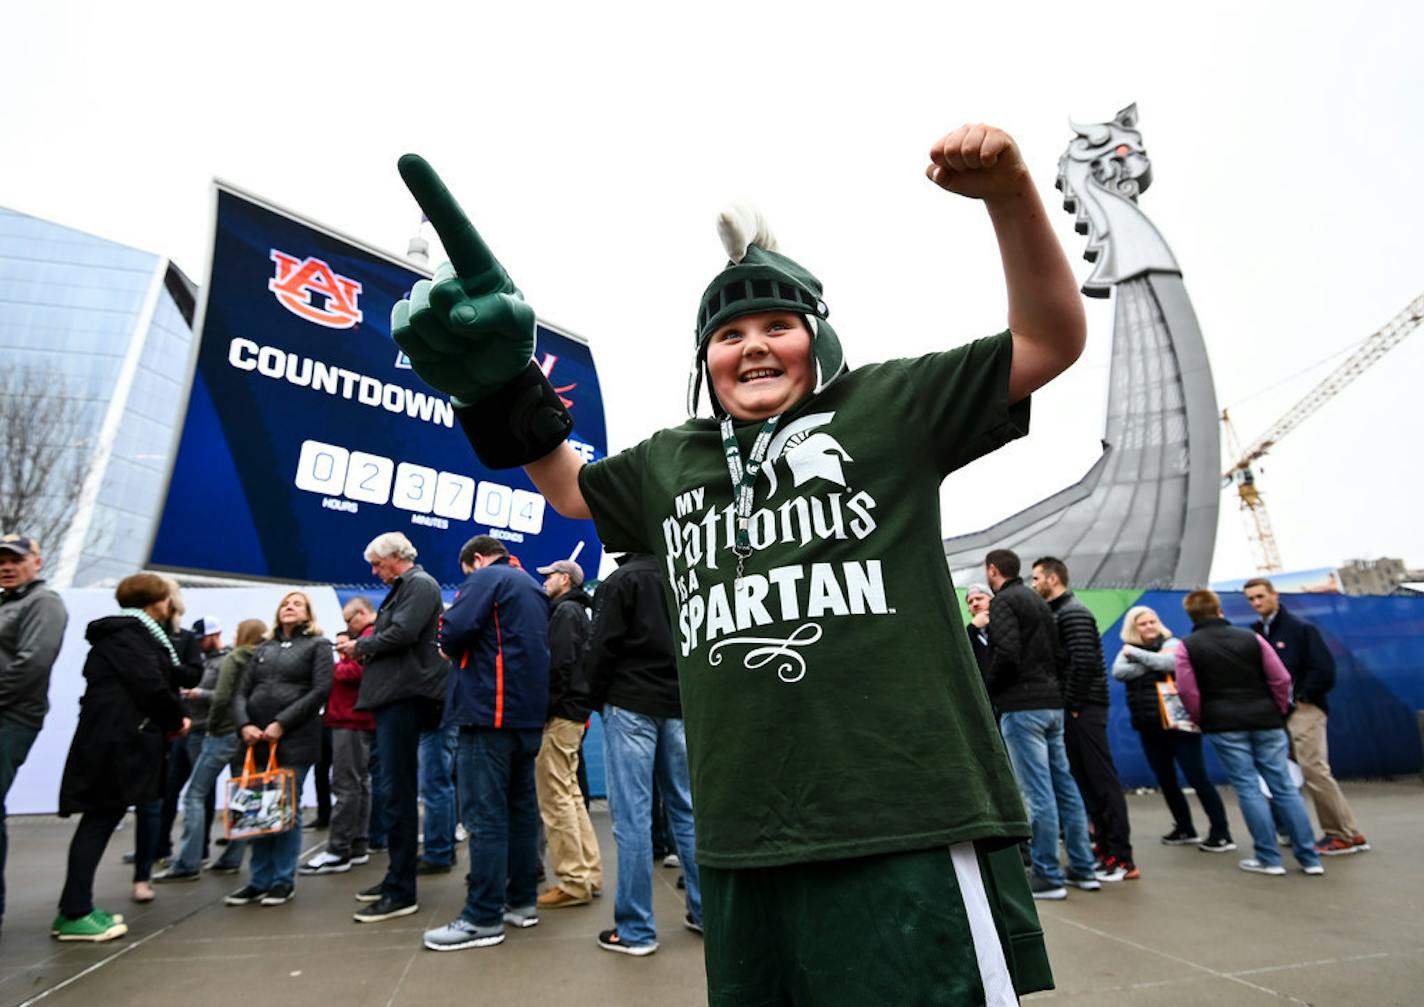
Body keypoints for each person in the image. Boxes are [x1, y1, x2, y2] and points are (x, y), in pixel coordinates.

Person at [387, 118, 1087, 1001]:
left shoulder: (890, 408)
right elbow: (569, 489)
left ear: (817, 339)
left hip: (903, 814)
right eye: (729, 333)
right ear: (705, 361)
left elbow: (1048, 341)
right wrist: (500, 385)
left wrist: (1011, 197)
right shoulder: (674, 458)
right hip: (742, 831)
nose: (753, 343)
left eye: (777, 324)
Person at [421, 535, 548, 951]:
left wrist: (446, 646)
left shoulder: (487, 577)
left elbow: (454, 629)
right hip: (526, 716)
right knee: (521, 812)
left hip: (488, 713)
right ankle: (521, 901)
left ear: (474, 559)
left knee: (485, 816)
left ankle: (482, 916)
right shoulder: (530, 584)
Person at [53, 573, 188, 941]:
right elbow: (152, 687)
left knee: (100, 819)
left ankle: (74, 905)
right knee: (98, 821)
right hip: (117, 745)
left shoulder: (125, 635)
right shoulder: (132, 636)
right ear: (156, 601)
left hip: (113, 741)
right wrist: (176, 718)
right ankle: (75, 913)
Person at [582, 553, 703, 955]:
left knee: (632, 818)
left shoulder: (620, 581)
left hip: (630, 703)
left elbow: (600, 647)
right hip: (678, 704)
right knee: (685, 812)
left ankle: (635, 930)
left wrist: (595, 699)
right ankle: (707, 915)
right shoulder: (683, 574)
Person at [1173, 590, 1323, 877]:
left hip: (1224, 723)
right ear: (1218, 610)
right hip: (1266, 719)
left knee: (1248, 788)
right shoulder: (1251, 638)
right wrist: (1277, 709)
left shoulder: (1187, 647)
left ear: (1190, 614)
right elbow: (1281, 678)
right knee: (1283, 786)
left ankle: (1269, 857)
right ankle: (1309, 857)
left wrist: (1201, 718)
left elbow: (1187, 691)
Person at [339, 532, 446, 923]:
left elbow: (401, 633)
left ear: (396, 557)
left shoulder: (418, 585)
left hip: (404, 697)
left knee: (398, 793)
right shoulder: (411, 586)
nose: (374, 571)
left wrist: (360, 647)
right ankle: (394, 880)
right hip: (395, 697)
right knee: (392, 792)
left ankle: (401, 890)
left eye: (377, 564)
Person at [984, 550, 1100, 901]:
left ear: (993, 570)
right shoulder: (1038, 601)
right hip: (1052, 705)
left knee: (1037, 793)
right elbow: (1060, 655)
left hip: (1022, 707)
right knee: (1064, 786)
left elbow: (1006, 653)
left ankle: (1048, 874)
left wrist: (988, 687)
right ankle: (1083, 868)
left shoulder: (1003, 602)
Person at [1244, 578, 1368, 856]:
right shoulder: (1257, 633)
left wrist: (1301, 697)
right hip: (1278, 713)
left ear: (1275, 595)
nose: (1256, 603)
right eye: (1250, 599)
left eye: (1260, 596)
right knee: (1288, 773)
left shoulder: (1300, 629)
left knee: (1314, 770)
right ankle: (1349, 831)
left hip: (1304, 709)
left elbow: (1323, 669)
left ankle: (1341, 835)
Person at [223, 591, 332, 907]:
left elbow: (320, 690)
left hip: (294, 741)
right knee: (257, 808)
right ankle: (258, 880)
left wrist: (281, 723)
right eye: (285, 603)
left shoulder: (318, 646)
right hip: (255, 741)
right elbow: (241, 692)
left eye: (297, 604)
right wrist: (244, 724)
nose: (289, 607)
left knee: (287, 810)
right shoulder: (263, 648)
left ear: (308, 615)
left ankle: (282, 880)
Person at [1032, 556, 1136, 881]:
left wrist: (1072, 703)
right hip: (1076, 708)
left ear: (1052, 578)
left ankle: (1122, 859)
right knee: (1086, 784)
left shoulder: (1073, 612)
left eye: (1036, 578)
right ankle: (1103, 851)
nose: (1033, 584)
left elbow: (1085, 661)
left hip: (1085, 708)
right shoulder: (1057, 613)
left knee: (1101, 781)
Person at [1110, 605, 1233, 852]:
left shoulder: (1172, 642)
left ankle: (1221, 832)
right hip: (1150, 726)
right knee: (1166, 779)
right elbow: (1119, 672)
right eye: (1143, 623)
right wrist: (1151, 661)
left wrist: (1138, 655)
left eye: (1152, 621)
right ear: (1134, 628)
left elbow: (1169, 663)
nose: (1149, 627)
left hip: (1180, 725)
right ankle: (1185, 828)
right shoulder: (1128, 653)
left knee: (1197, 777)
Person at [156, 618, 266, 881]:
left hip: (221, 732)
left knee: (195, 794)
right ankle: (232, 858)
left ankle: (188, 862)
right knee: (243, 796)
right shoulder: (263, 659)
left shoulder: (235, 657)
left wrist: (212, 727)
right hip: (244, 732)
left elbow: (224, 696)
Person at [0, 533, 68, 934]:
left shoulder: (43, 602)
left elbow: (33, 663)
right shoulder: (6, 602)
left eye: (16, 559)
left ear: (37, 562)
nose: (8, 565)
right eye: (3, 559)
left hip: (12, 717)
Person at [533, 558, 602, 909]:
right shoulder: (578, 612)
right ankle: (588, 872)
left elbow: (558, 665)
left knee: (555, 798)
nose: (543, 581)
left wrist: (545, 710)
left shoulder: (563, 614)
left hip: (560, 714)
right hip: (574, 712)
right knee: (571, 795)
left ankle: (573, 881)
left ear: (564, 579)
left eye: (548, 576)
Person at [302, 598, 377, 874]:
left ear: (361, 614)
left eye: (349, 621)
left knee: (347, 784)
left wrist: (333, 668)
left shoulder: (368, 639)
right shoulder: (369, 639)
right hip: (354, 718)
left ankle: (338, 849)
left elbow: (358, 672)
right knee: (358, 783)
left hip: (351, 718)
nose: (348, 627)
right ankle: (356, 844)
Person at [964, 583, 993, 680]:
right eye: (970, 602)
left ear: (991, 599)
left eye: (979, 598)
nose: (975, 604)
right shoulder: (969, 633)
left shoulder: (1004, 624)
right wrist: (972, 627)